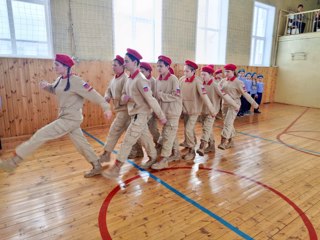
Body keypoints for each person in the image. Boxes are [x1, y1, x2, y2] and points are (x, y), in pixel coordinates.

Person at [0, 54, 112, 177]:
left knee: (40, 134)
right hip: (66, 118)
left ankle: (13, 162)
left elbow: (94, 95)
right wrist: (47, 86)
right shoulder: (60, 79)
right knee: (81, 144)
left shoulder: (77, 82)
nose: (54, 67)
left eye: (57, 65)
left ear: (66, 66)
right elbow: (55, 89)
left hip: (70, 119)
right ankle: (97, 165)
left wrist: (106, 108)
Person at [103, 48, 167, 178]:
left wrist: (161, 116)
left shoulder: (141, 79)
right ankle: (153, 156)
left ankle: (117, 167)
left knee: (128, 140)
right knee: (145, 138)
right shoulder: (129, 79)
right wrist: (125, 98)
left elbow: (150, 99)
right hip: (134, 114)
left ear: (135, 62)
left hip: (141, 115)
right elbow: (125, 95)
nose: (124, 64)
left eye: (126, 61)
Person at [197, 66, 240, 155]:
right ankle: (211, 145)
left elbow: (225, 96)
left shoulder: (215, 85)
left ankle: (202, 147)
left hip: (212, 111)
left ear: (210, 75)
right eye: (201, 74)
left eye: (204, 74)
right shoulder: (201, 83)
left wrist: (235, 105)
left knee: (206, 128)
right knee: (208, 129)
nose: (202, 76)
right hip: (203, 110)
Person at [100, 55, 134, 162]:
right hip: (119, 110)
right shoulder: (114, 79)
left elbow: (127, 95)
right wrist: (107, 96)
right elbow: (109, 90)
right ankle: (139, 151)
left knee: (113, 131)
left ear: (122, 66)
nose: (112, 67)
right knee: (136, 134)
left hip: (125, 111)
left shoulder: (126, 79)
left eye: (115, 65)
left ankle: (106, 155)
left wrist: (117, 99)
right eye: (112, 65)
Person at [179, 60, 215, 161]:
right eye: (184, 71)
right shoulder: (181, 80)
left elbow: (204, 96)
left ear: (193, 71)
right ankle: (191, 143)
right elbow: (178, 94)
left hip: (194, 111)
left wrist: (212, 110)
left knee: (188, 129)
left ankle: (192, 151)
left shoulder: (198, 81)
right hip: (185, 109)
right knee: (188, 129)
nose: (185, 73)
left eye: (187, 71)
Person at [150, 55, 182, 170]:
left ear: (168, 67)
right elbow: (155, 96)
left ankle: (164, 160)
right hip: (164, 113)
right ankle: (176, 153)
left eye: (161, 66)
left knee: (168, 135)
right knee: (170, 133)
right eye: (157, 66)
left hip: (173, 112)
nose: (159, 68)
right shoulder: (157, 79)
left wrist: (161, 95)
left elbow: (176, 96)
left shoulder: (173, 79)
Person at [218, 64, 259, 150]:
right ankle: (231, 141)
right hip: (224, 104)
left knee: (228, 123)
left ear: (233, 72)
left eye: (228, 71)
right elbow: (218, 90)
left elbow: (245, 94)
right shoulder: (223, 81)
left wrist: (254, 104)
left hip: (234, 105)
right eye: (225, 71)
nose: (226, 73)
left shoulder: (239, 82)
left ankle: (223, 141)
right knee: (227, 123)